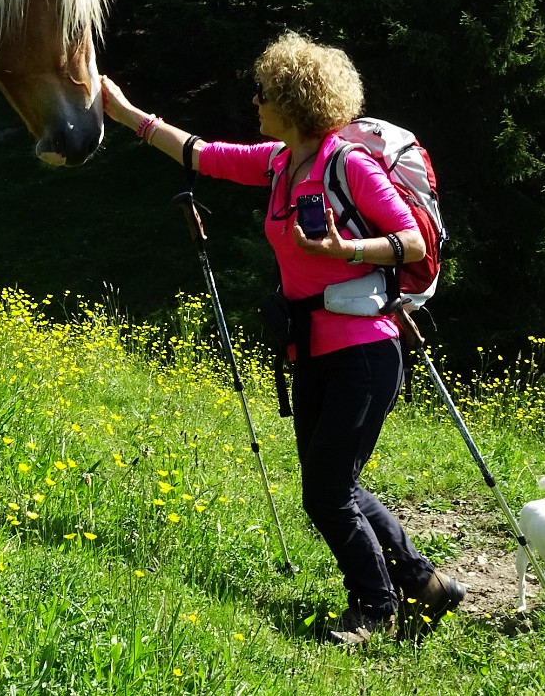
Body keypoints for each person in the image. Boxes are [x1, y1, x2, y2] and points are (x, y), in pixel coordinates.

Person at [101, 31, 465, 645]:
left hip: (365, 352)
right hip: (311, 348)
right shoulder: (278, 162)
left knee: (326, 492)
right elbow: (200, 154)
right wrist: (126, 113)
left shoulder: (346, 164)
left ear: (294, 101)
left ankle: (374, 610)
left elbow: (414, 243)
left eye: (264, 92)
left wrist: (342, 248)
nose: (255, 100)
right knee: (332, 486)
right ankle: (427, 585)